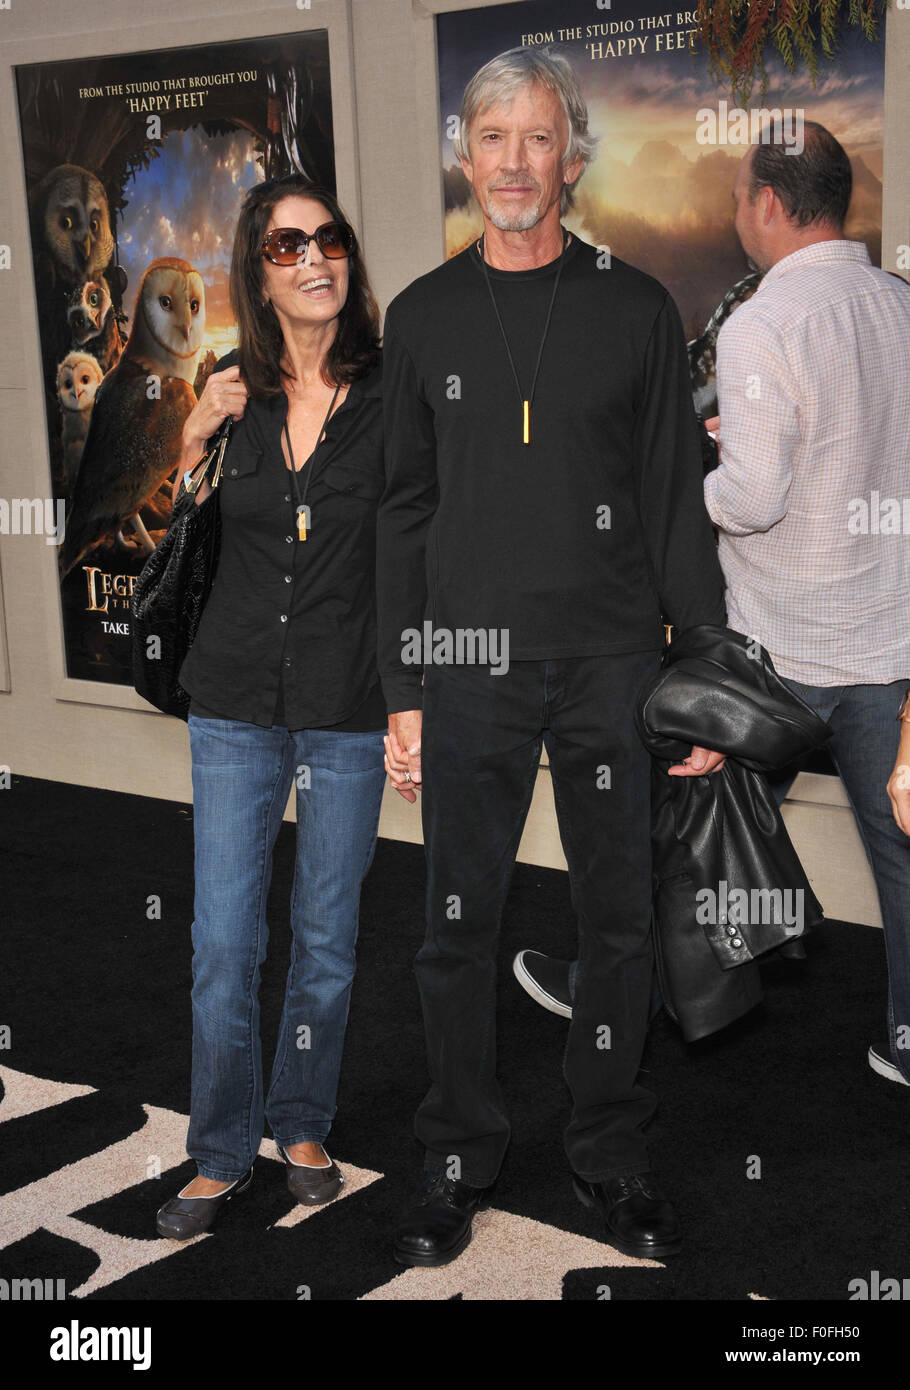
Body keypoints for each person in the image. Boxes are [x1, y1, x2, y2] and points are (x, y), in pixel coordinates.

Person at [376, 46, 727, 1267]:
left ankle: (611, 1151)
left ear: (569, 157)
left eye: (536, 139)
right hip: (468, 666)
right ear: (462, 156)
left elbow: (674, 503)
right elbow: (402, 511)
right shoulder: (417, 317)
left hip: (612, 661)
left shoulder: (635, 308)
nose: (515, 163)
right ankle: (457, 1152)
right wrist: (405, 686)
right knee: (453, 926)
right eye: (492, 138)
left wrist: (701, 677)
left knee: (616, 918)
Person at [155, 175, 387, 1240]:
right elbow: (170, 514)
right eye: (287, 244)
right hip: (236, 696)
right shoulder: (228, 385)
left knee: (327, 937)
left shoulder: (393, 393)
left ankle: (299, 1120)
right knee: (222, 940)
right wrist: (194, 430)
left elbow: (416, 554)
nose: (313, 258)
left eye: (328, 239)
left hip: (347, 701)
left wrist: (415, 699)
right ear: (259, 272)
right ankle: (217, 1149)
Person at [703, 126, 910, 1086]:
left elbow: (752, 501)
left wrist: (693, 476)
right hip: (890, 648)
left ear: (773, 207)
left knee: (701, 829)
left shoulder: (762, 325)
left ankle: (640, 995)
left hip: (779, 648)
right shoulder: (901, 307)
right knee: (903, 855)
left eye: (742, 196)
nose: (737, 212)